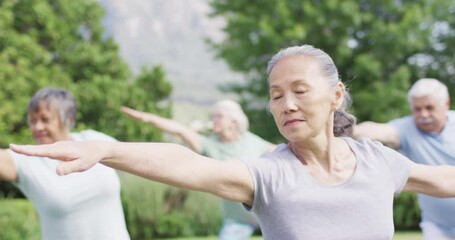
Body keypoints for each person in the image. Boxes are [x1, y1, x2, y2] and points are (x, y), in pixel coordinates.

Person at [10, 45, 455, 240]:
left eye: (299, 90)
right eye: (276, 95)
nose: (286, 104)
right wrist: (108, 151)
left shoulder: (379, 163)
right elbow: (187, 162)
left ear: (336, 94)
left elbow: (441, 180)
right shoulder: (267, 173)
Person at [120, 100, 275, 240]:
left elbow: (283, 153)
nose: (214, 119)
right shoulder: (209, 145)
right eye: (213, 116)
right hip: (237, 219)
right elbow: (180, 130)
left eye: (219, 116)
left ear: (233, 121)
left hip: (266, 211)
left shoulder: (252, 141)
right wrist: (145, 118)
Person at [0, 87, 130, 240]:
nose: (37, 127)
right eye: (32, 121)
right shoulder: (27, 161)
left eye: (45, 119)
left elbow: (137, 158)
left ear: (67, 119)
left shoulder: (93, 140)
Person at [354, 78, 455, 240]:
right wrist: (350, 130)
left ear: (446, 104)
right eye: (417, 109)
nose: (423, 115)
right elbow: (378, 130)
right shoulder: (406, 129)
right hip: (437, 225)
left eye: (429, 108)